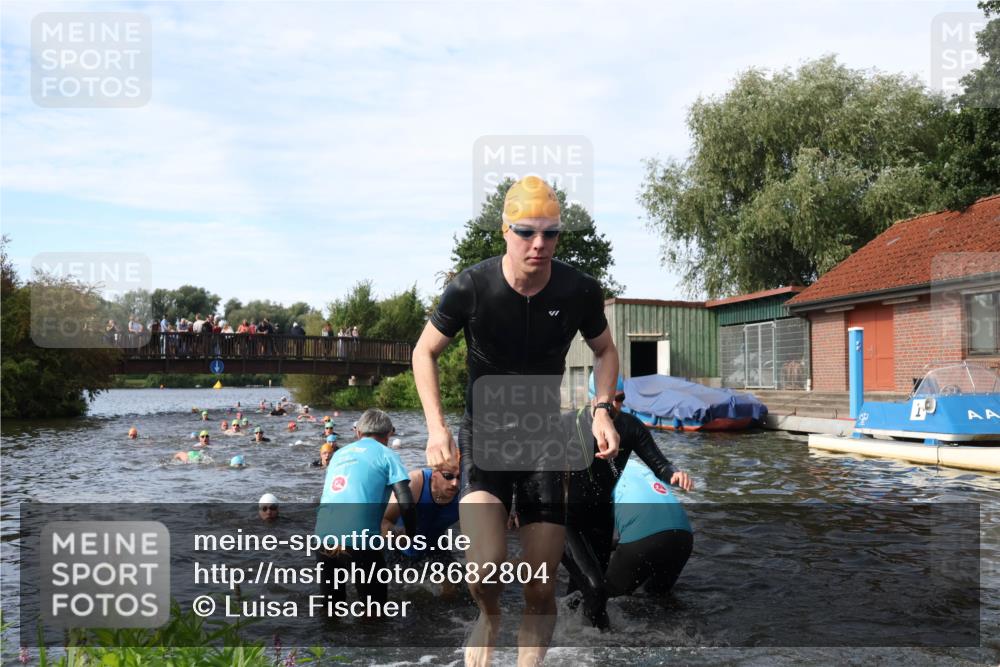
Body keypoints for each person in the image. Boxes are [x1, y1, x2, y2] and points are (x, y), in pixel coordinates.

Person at [411, 175, 621, 666]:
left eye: (551, 233)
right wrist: (437, 428)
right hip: (484, 439)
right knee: (484, 570)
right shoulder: (471, 287)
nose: (539, 243)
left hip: (545, 441)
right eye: (527, 232)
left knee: (540, 585)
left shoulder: (578, 290)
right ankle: (489, 617)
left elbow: (606, 350)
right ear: (506, 231)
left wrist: (602, 410)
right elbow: (424, 352)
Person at [561, 374, 693, 628]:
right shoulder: (570, 423)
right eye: (609, 399)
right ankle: (573, 636)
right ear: (593, 398)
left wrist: (674, 474)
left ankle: (583, 638)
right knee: (595, 588)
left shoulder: (630, 427)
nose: (615, 406)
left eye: (620, 399)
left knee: (588, 592)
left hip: (602, 519)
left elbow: (659, 464)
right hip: (570, 520)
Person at [313, 409, 417, 617]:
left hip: (323, 537)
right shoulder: (388, 455)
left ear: (358, 432)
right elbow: (406, 502)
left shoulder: (338, 454)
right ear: (389, 434)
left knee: (331, 609)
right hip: (361, 541)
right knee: (374, 612)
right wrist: (412, 535)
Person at [604, 462, 693, 599]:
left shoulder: (597, 472)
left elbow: (596, 536)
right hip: (683, 536)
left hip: (645, 536)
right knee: (658, 599)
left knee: (605, 597)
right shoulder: (637, 465)